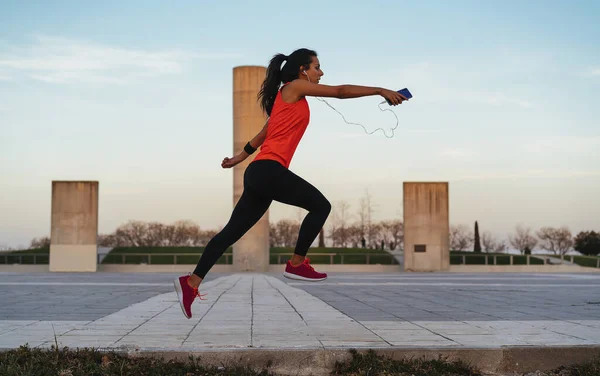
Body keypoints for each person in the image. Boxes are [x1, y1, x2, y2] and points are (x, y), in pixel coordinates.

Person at [174, 48, 408, 319]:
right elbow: (341, 91)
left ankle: (191, 283)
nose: (321, 73)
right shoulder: (295, 87)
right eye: (317, 67)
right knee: (321, 206)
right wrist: (380, 90)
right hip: (268, 170)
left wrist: (239, 157)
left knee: (230, 234)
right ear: (302, 70)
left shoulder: (287, 99)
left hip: (259, 173)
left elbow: (264, 132)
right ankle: (296, 263)